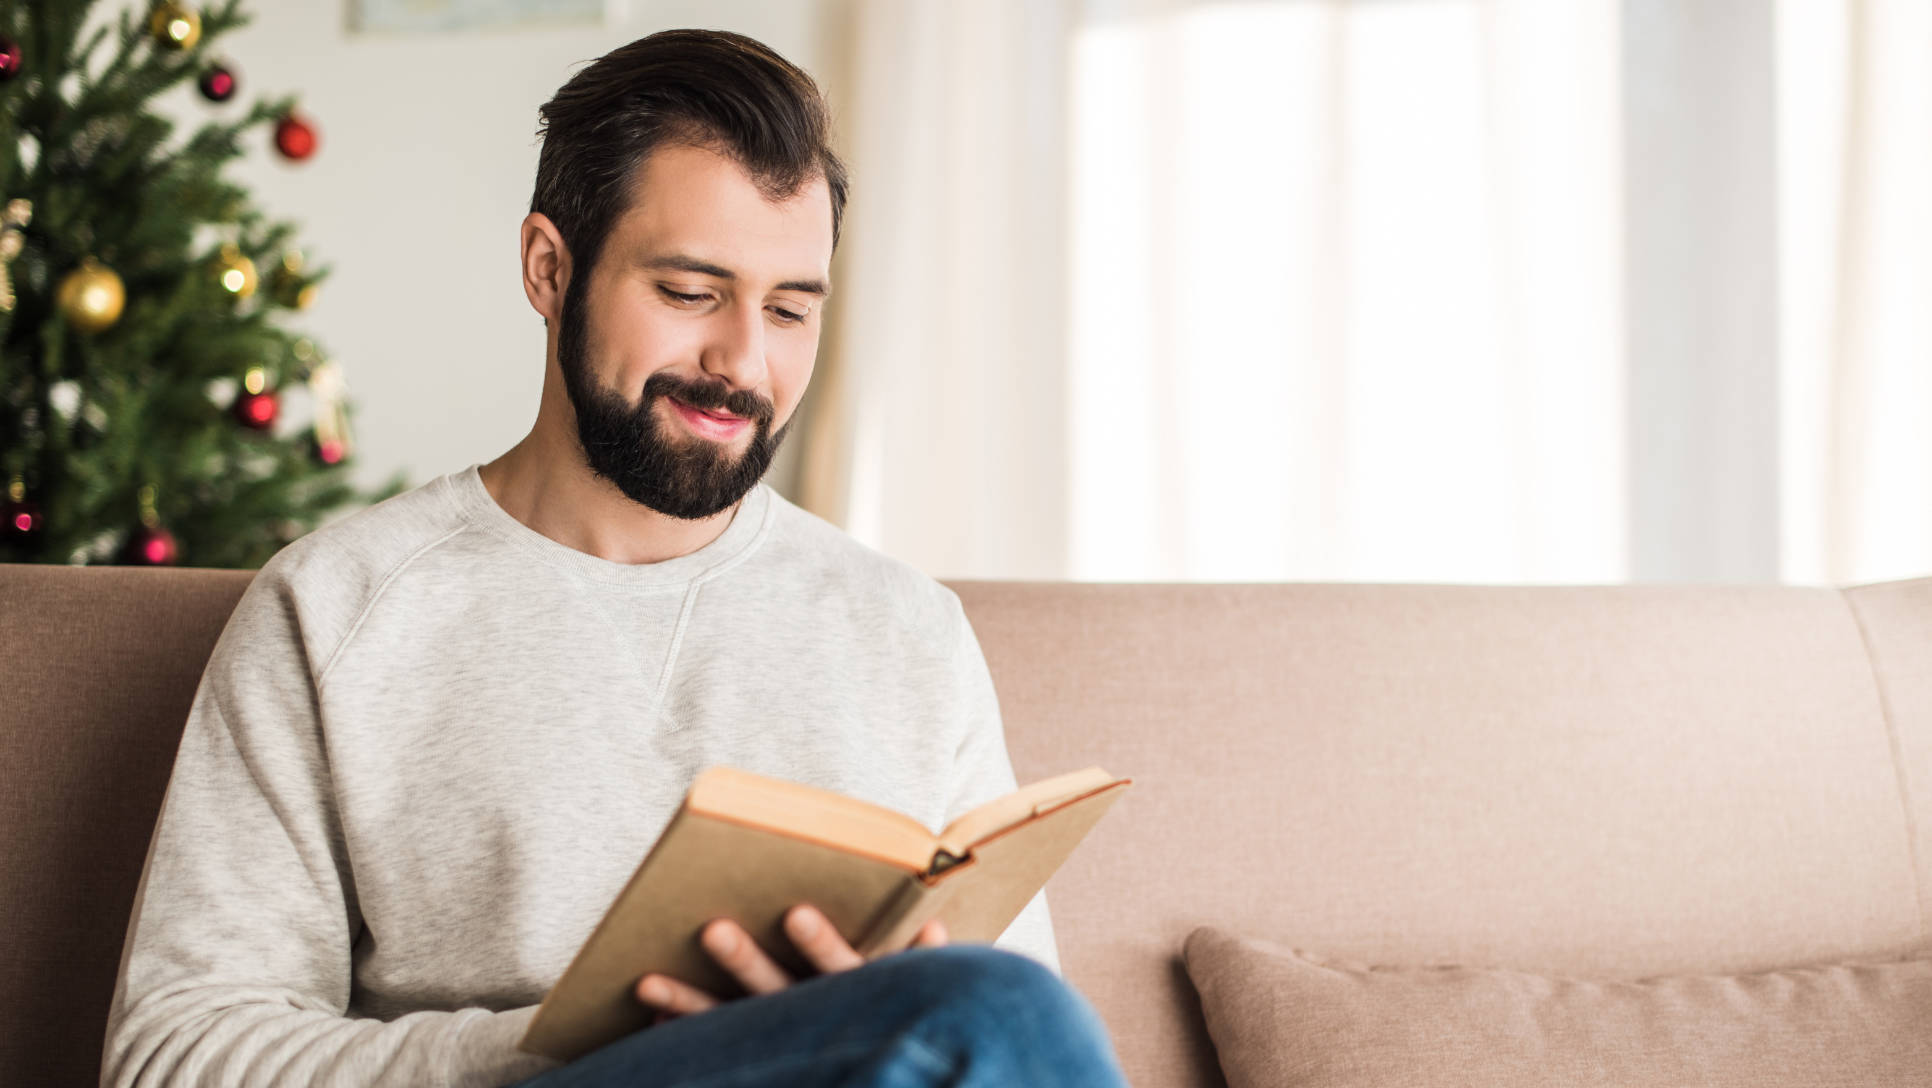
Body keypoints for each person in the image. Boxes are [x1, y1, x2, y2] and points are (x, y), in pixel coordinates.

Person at [99, 27, 1127, 1088]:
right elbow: (171, 1054)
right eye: (689, 294)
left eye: (788, 310)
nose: (744, 363)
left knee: (1000, 1005)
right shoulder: (336, 608)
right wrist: (565, 1037)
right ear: (551, 268)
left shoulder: (907, 627)